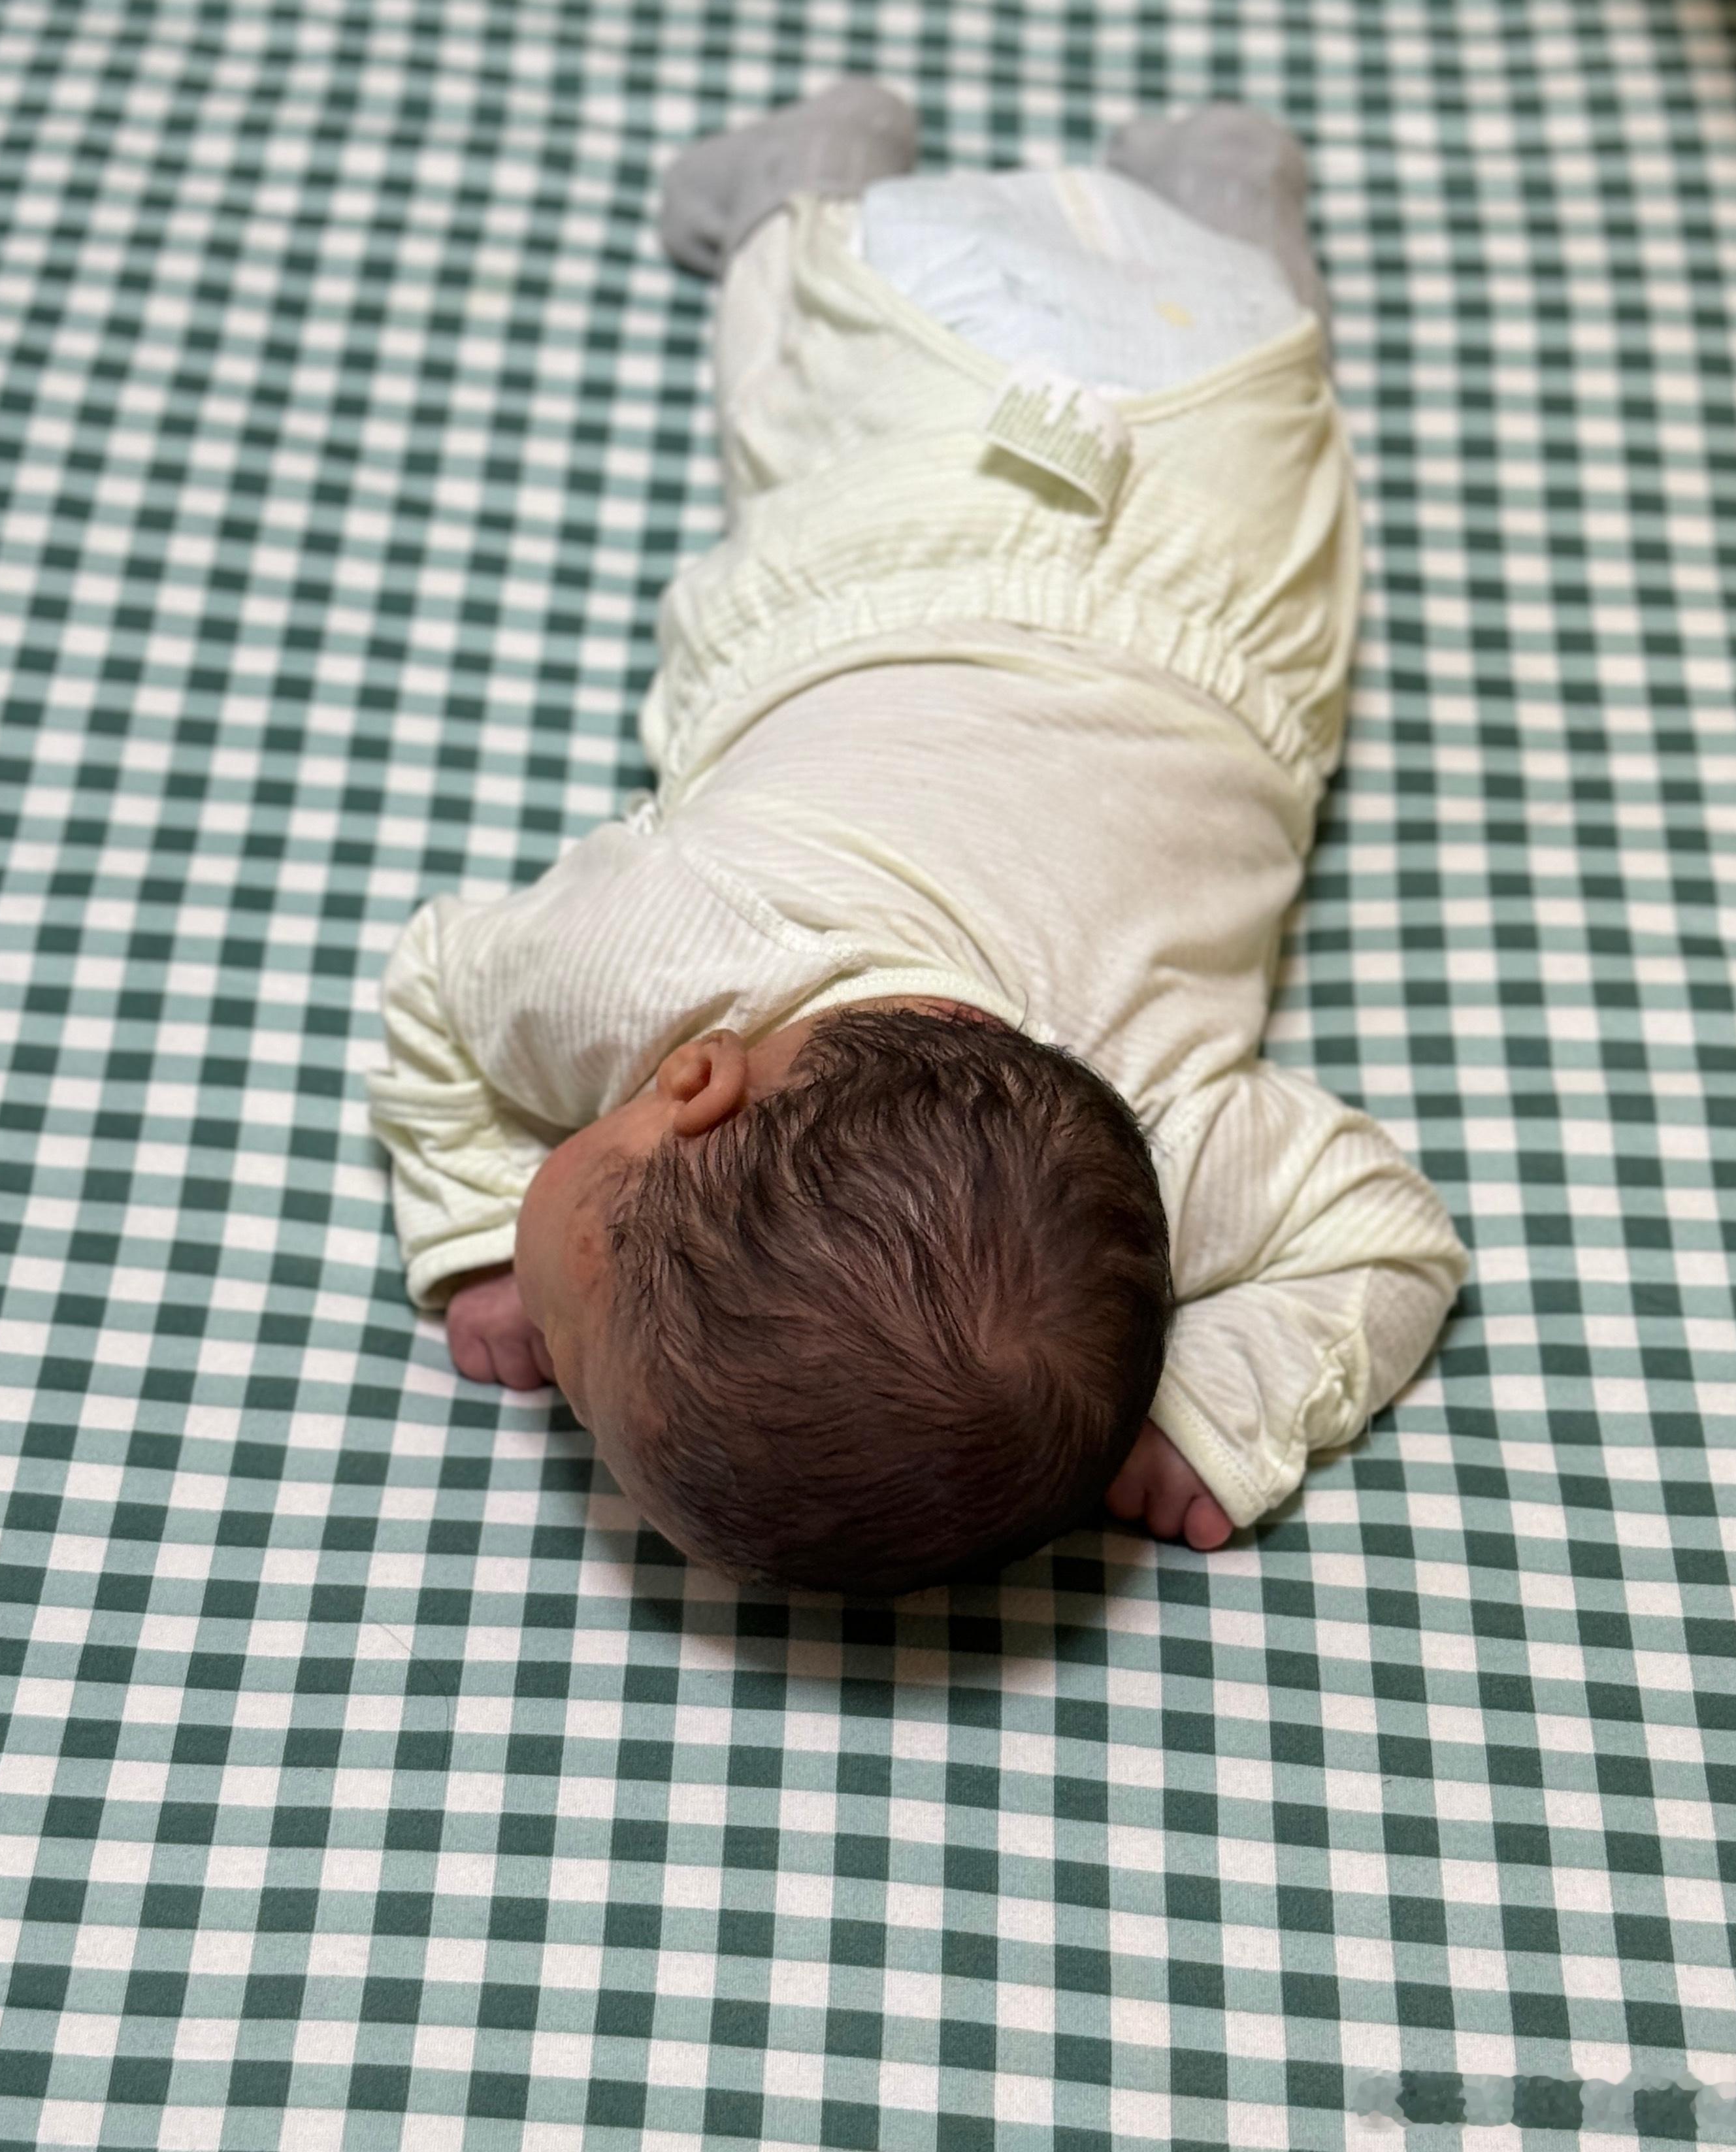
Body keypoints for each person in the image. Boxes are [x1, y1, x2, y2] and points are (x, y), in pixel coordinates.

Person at [367, 81, 1467, 1595]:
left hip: (1218, 441)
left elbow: (1390, 1243)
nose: (544, 1349)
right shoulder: (664, 959)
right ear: (689, 1089)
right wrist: (489, 1229)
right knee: (787, 374)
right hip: (919, 419)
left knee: (1265, 375)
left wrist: (1218, 1394)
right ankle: (814, 183)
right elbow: (440, 983)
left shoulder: (1175, 1139)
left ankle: (1215, 191)